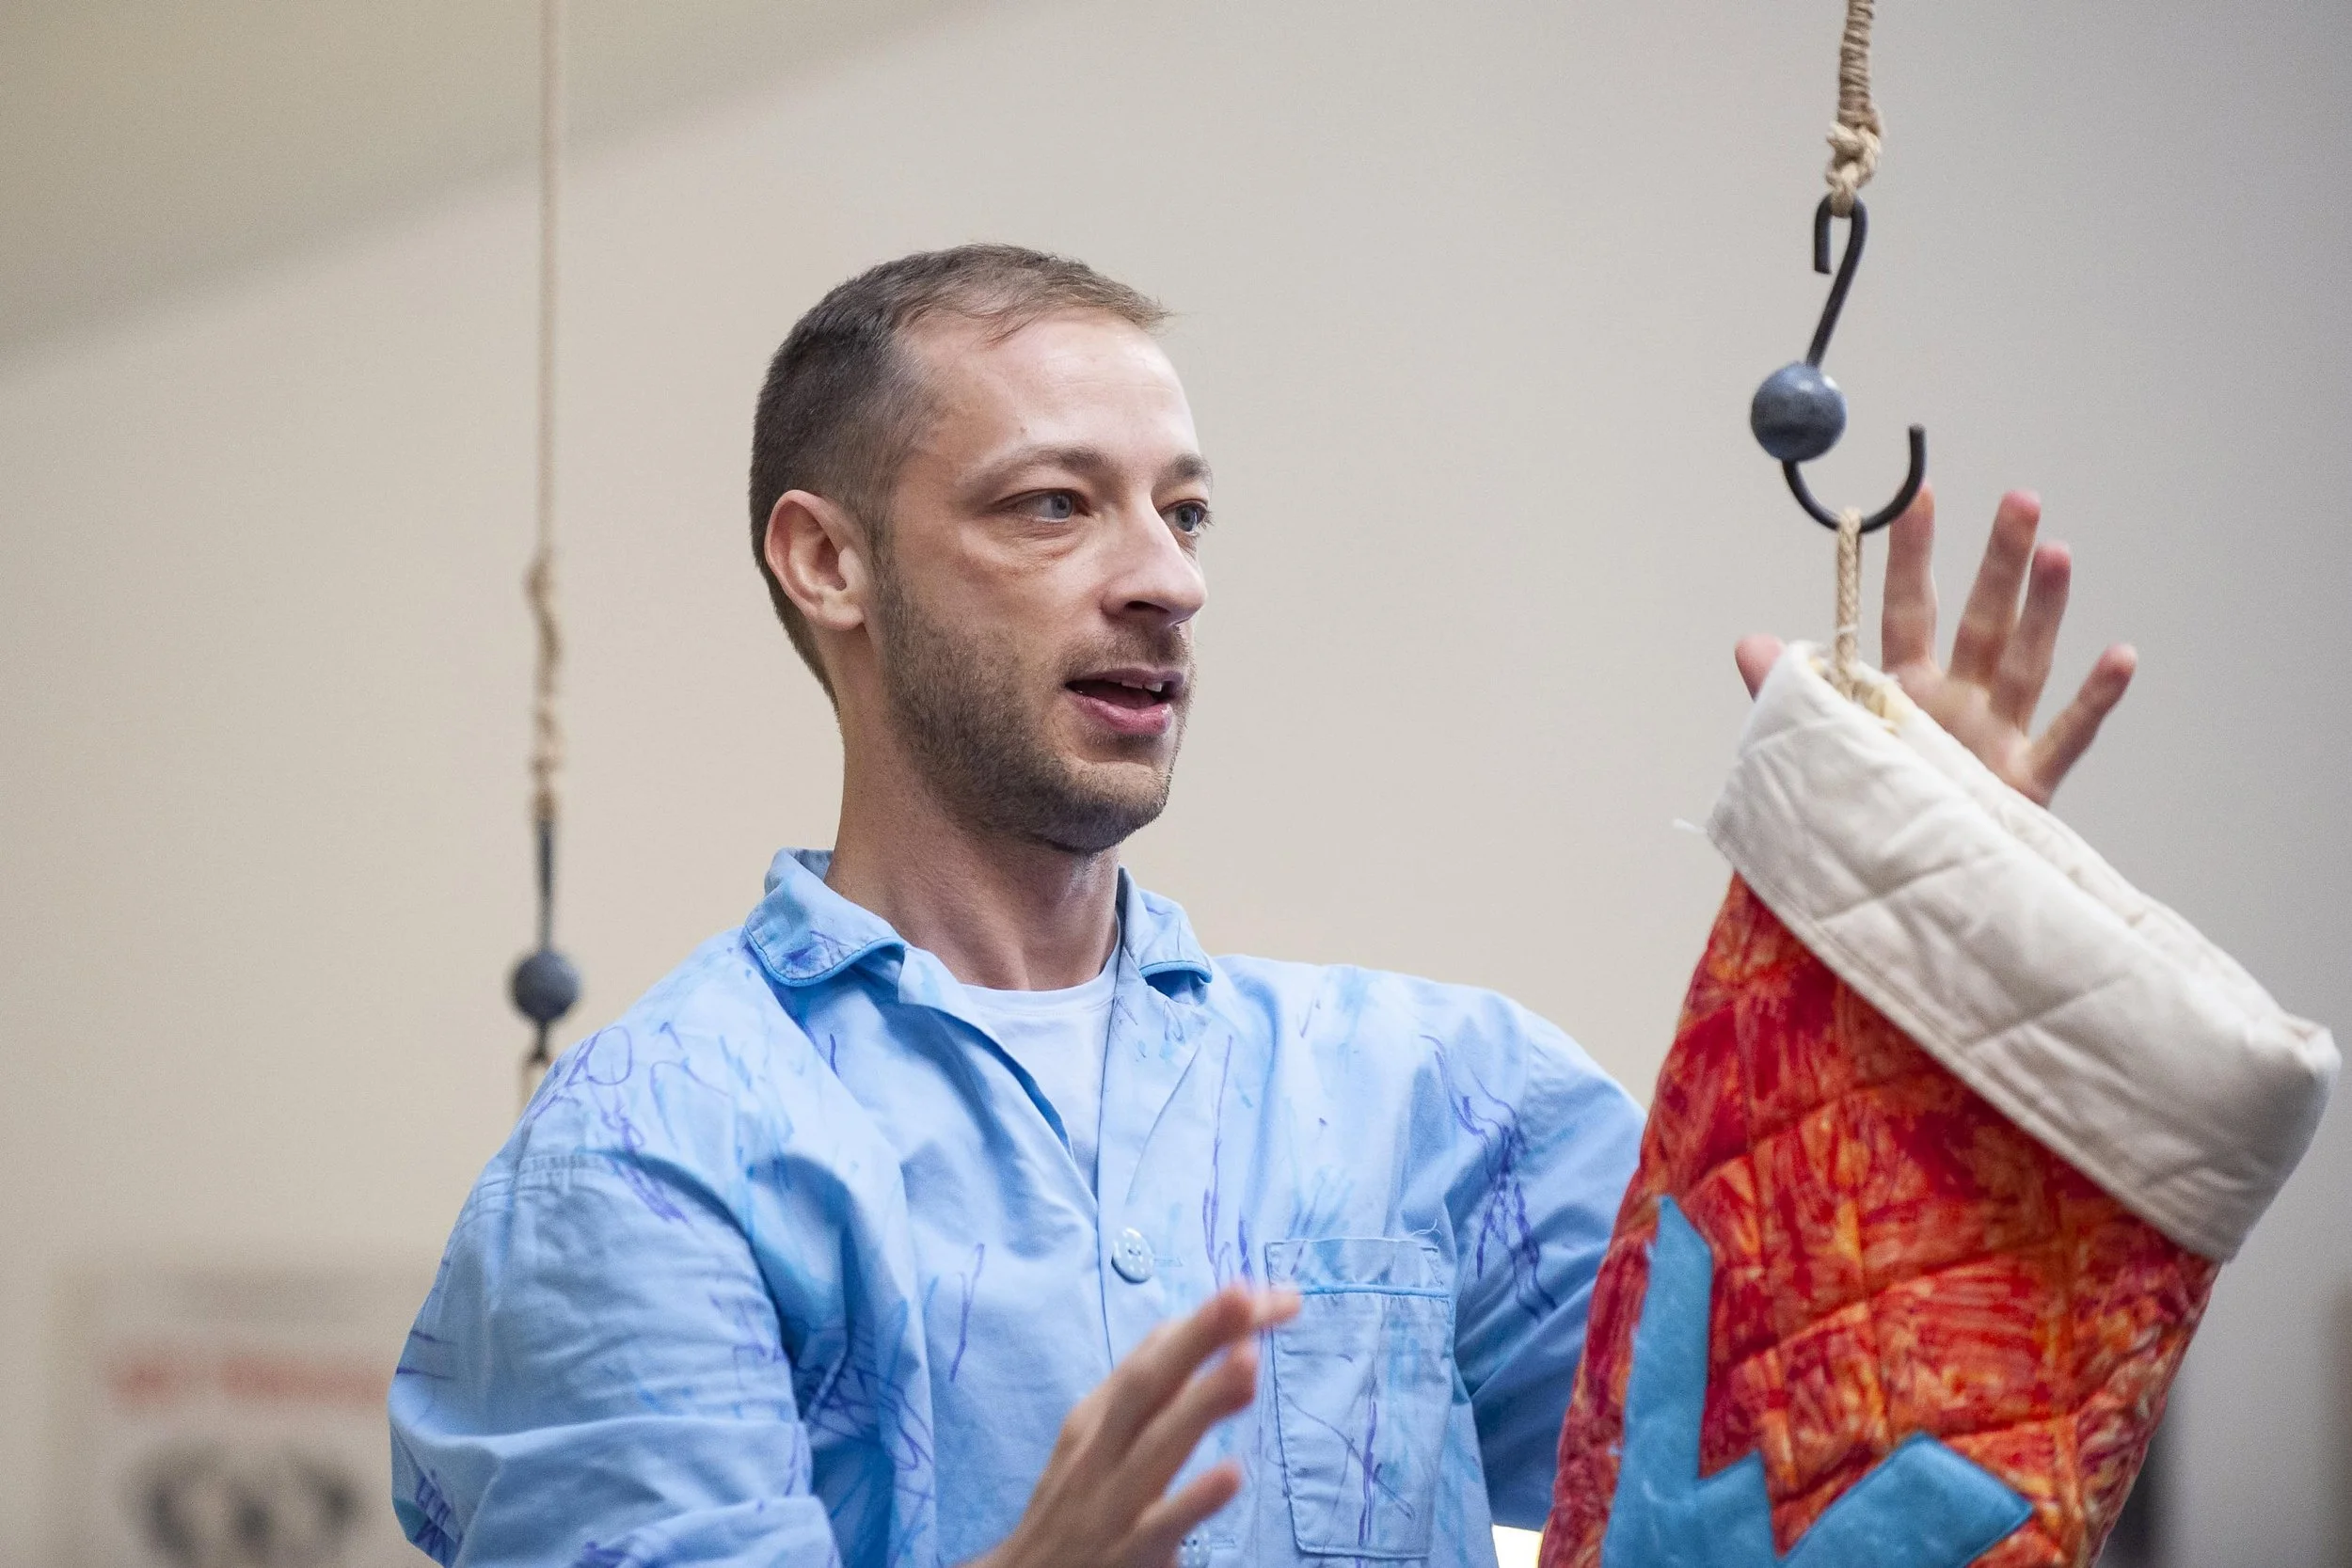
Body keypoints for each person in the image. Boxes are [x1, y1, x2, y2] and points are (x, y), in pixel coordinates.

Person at [388, 245, 2137, 1568]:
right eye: (1054, 505)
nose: (1165, 578)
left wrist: (1922, 940)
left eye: (1187, 510)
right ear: (827, 561)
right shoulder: (649, 1161)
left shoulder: (1438, 1097)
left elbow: (1825, 1458)